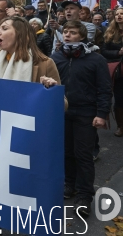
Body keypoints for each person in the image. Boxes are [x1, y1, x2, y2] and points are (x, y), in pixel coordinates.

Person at [48, 20, 111, 217]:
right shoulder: (56, 57)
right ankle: (70, 185)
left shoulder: (96, 60)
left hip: (86, 113)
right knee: (66, 152)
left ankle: (84, 196)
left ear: (82, 36)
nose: (67, 35)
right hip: (62, 112)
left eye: (72, 32)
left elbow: (104, 89)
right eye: (65, 31)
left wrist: (101, 114)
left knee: (83, 155)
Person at [0, 16, 60, 84]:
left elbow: (62, 103)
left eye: (4, 28)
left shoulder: (46, 64)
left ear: (20, 34)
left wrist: (51, 89)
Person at [101, 7, 123, 137]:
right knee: (119, 99)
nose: (119, 16)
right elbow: (104, 52)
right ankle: (121, 126)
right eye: (117, 14)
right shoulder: (110, 32)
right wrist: (118, 52)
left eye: (122, 14)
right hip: (118, 72)